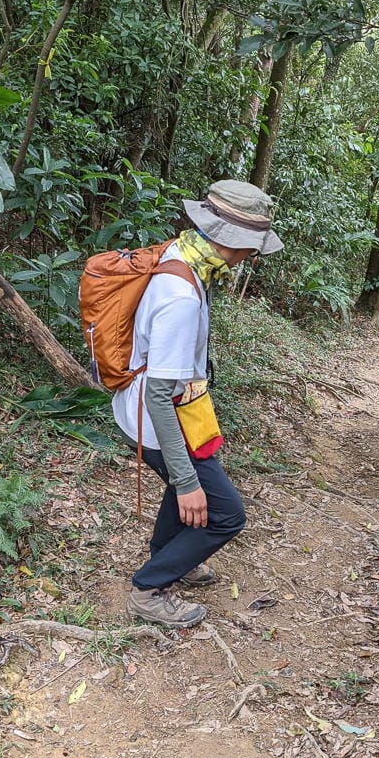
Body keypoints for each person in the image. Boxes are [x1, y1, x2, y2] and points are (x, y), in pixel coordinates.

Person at [113, 180, 283, 627]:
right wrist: (187, 478)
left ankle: (174, 559)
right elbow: (157, 395)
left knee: (187, 490)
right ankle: (149, 589)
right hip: (157, 418)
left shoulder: (182, 255)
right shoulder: (181, 296)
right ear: (230, 241)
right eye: (252, 247)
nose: (253, 256)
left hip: (176, 409)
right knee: (225, 513)